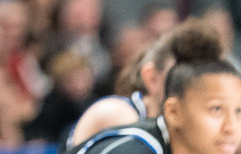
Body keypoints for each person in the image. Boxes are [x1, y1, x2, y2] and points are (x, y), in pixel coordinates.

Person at [65, 16, 224, 149]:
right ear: (151, 78)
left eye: (199, 81)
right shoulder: (118, 114)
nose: (190, 88)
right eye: (181, 77)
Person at [65, 56, 241, 154]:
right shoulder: (133, 150)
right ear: (174, 112)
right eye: (216, 109)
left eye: (239, 111)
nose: (231, 127)